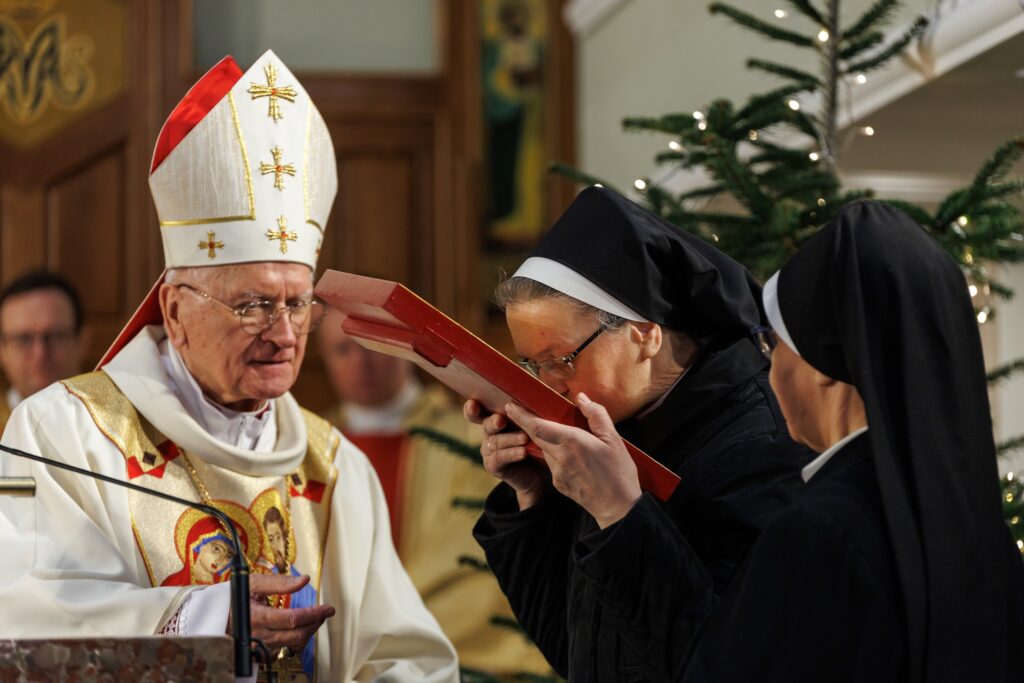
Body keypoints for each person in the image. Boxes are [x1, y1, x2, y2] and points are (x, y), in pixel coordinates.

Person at [0, 51, 457, 682]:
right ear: (175, 309)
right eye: (253, 306)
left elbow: (408, 658)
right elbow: (21, 614)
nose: (284, 334)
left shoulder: (333, 468)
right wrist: (207, 615)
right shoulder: (61, 435)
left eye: (298, 305)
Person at [469, 186, 812, 681]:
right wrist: (533, 497)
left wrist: (619, 512)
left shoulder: (761, 445)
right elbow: (571, 648)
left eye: (560, 360)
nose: (547, 387)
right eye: (531, 364)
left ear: (645, 333)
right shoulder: (615, 429)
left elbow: (730, 660)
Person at [670, 201, 1024, 681]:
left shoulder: (818, 533)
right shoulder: (984, 532)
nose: (769, 371)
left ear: (821, 365)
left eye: (773, 345)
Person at [317, 309, 551, 676]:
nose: (361, 362)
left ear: (402, 349)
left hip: (469, 653)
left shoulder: (475, 437)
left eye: (372, 347)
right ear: (324, 357)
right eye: (343, 350)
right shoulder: (310, 448)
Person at [0, 270, 86, 434]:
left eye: (55, 336)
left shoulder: (114, 424)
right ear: (2, 349)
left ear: (82, 341)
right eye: (23, 339)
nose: (40, 353)